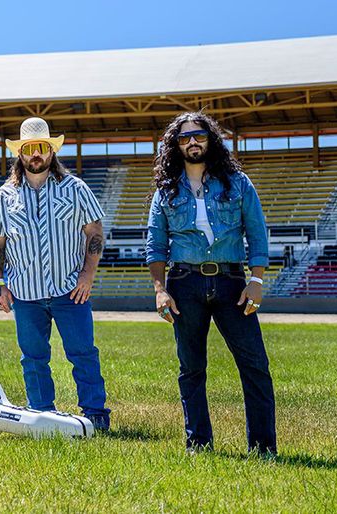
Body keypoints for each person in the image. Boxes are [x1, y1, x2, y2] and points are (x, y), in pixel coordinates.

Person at [145, 111, 276, 456]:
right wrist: (160, 290)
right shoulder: (165, 191)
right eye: (184, 137)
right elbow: (155, 245)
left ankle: (263, 448)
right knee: (191, 368)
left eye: (199, 135)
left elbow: (258, 235)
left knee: (255, 365)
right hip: (184, 283)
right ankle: (198, 444)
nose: (192, 142)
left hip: (233, 282)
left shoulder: (238, 183)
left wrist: (257, 279)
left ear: (210, 139)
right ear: (175, 145)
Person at [0, 117, 111, 431]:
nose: (35, 155)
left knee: (83, 354)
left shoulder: (75, 188)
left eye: (42, 147)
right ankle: (42, 415)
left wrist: (87, 277)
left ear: (52, 151)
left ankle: (95, 415)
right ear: (21, 154)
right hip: (25, 293)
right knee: (33, 358)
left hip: (69, 290)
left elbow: (95, 231)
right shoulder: (4, 196)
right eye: (29, 149)